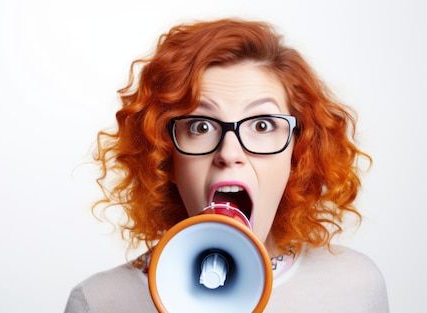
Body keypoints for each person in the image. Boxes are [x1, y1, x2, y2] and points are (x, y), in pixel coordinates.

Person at [64, 18, 389, 312]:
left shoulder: (355, 288)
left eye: (262, 125)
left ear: (297, 153)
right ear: (166, 158)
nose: (229, 152)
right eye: (200, 126)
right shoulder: (100, 302)